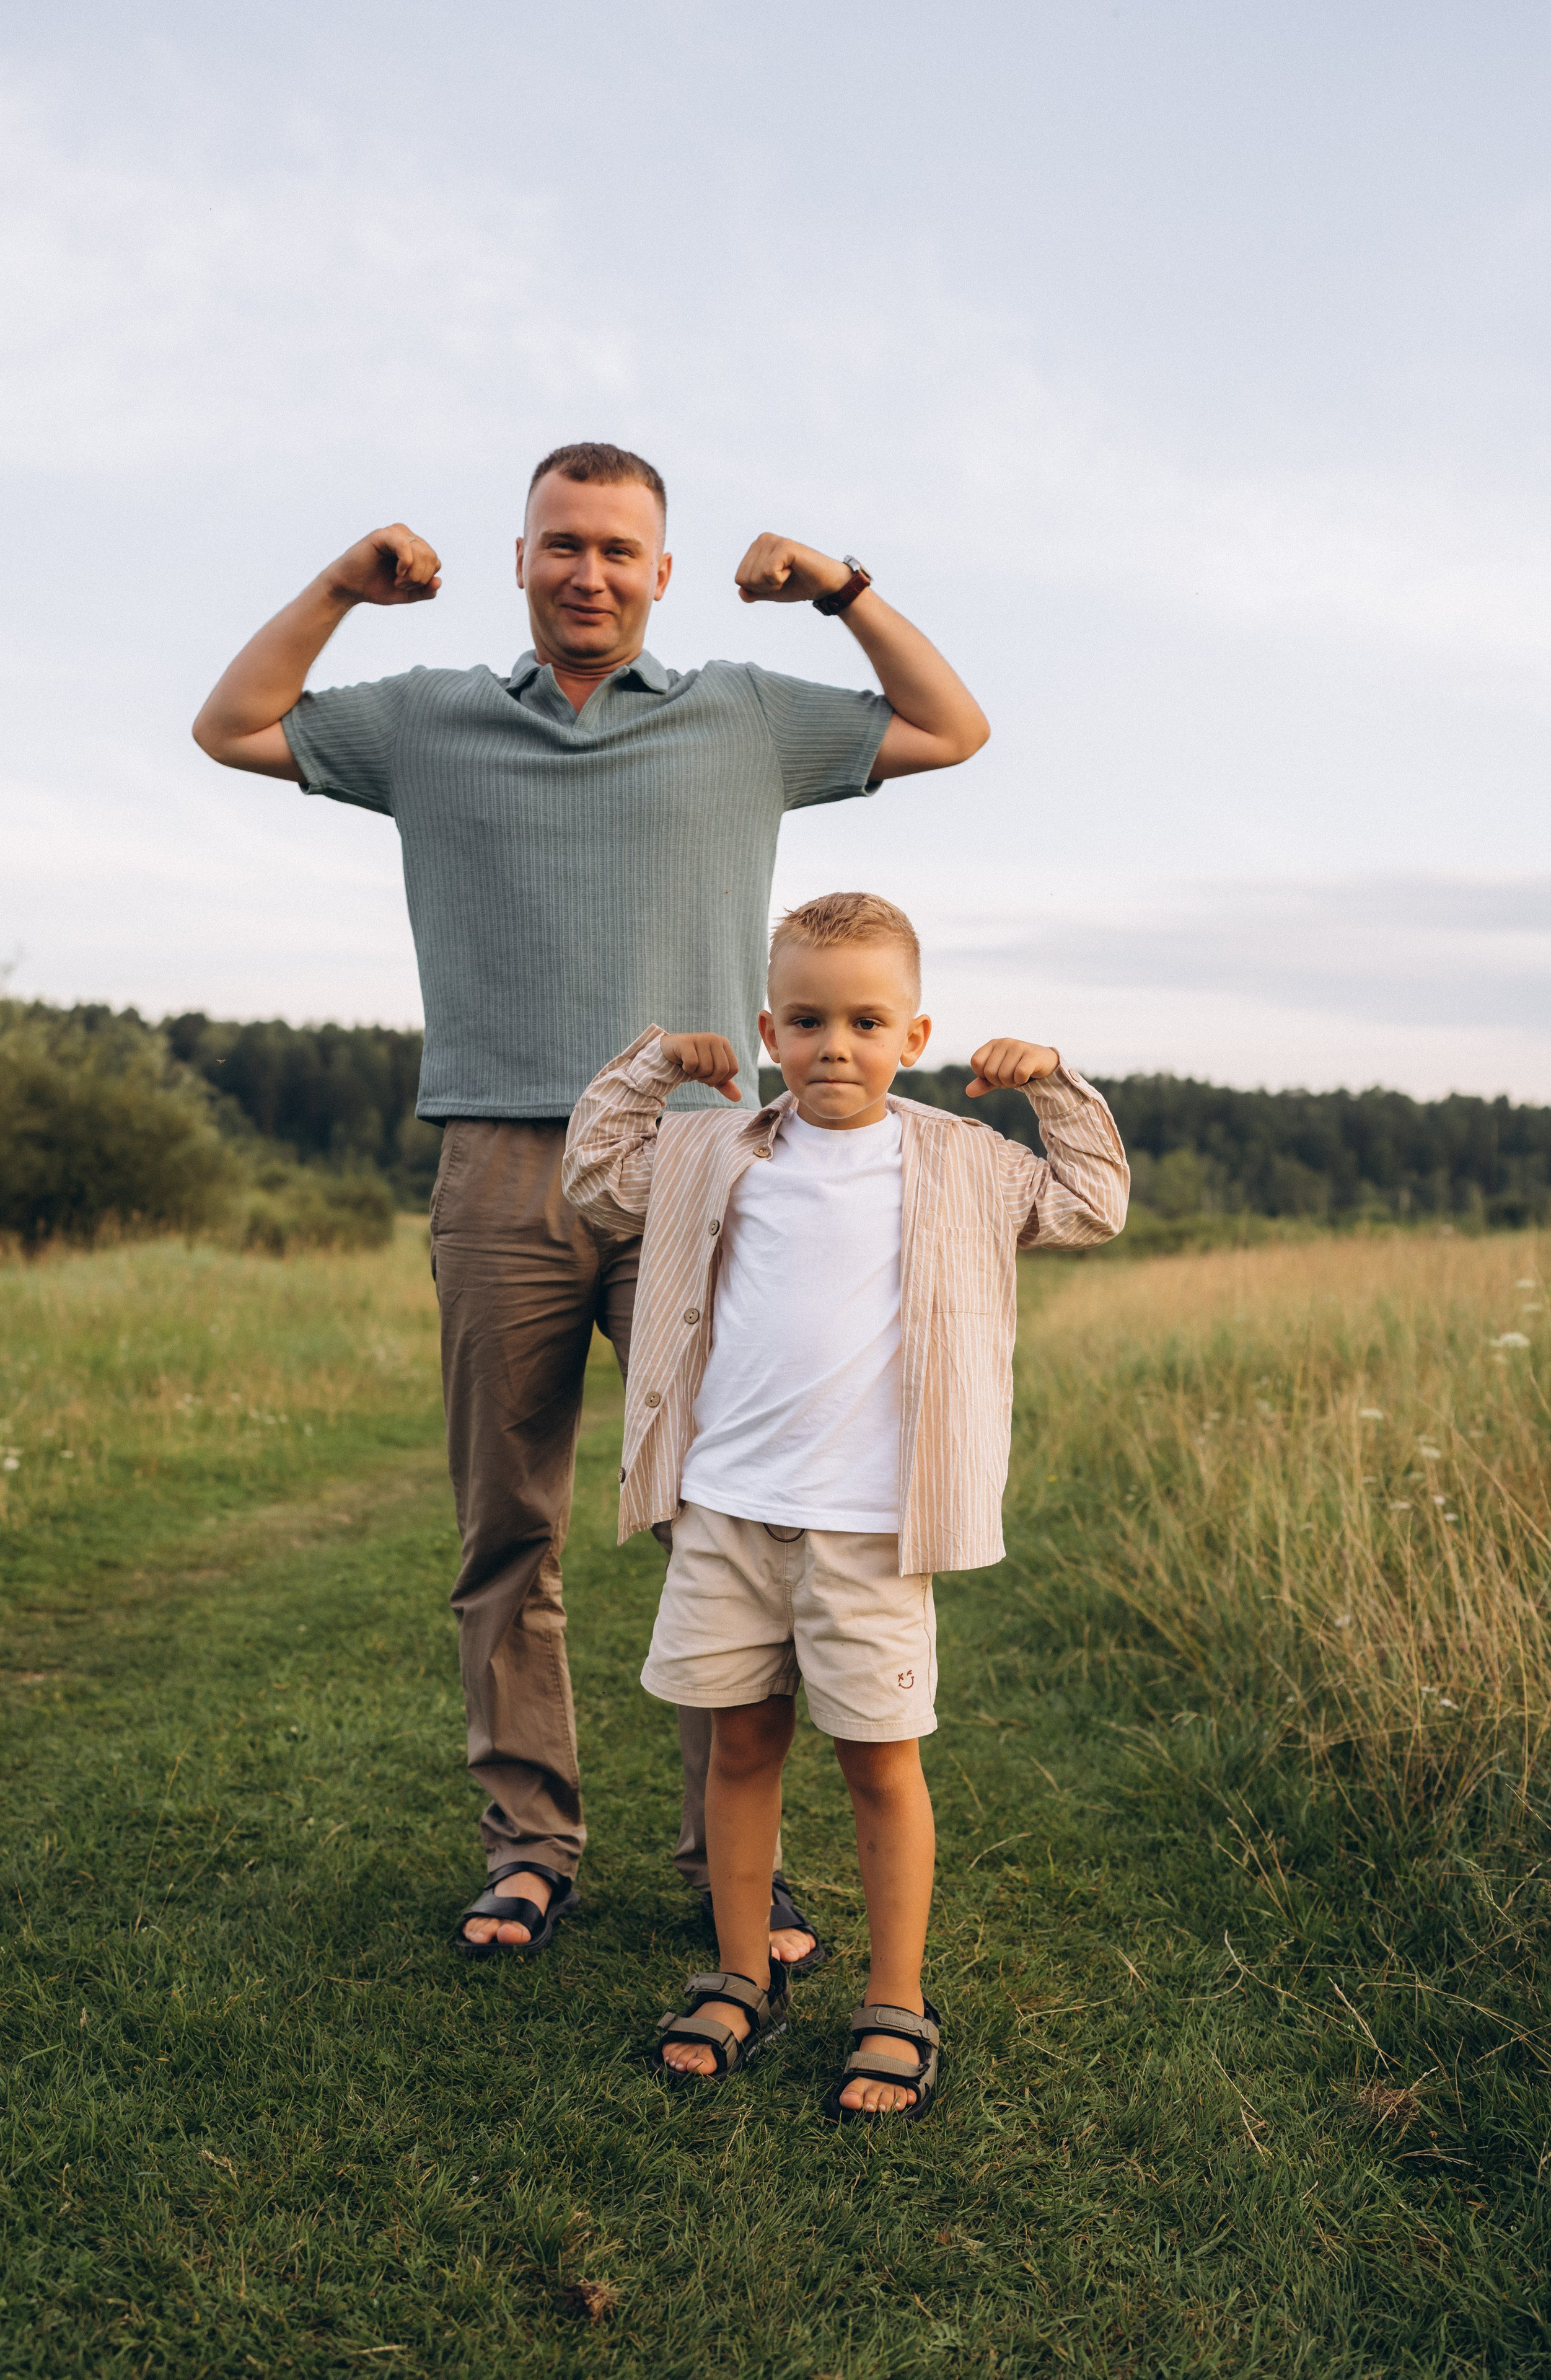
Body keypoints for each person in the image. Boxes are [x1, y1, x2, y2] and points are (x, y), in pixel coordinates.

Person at [191, 443, 989, 1965]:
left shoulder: (740, 716)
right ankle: (529, 1847)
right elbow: (232, 725)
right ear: (521, 558)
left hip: (693, 1168)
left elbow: (950, 726)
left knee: (717, 1515)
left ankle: (726, 1871)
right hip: (498, 1161)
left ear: (661, 573)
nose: (589, 572)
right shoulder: (430, 720)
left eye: (620, 549)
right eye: (562, 543)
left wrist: (836, 587)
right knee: (509, 1528)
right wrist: (342, 586)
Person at [561, 891, 1129, 2118]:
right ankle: (738, 1975)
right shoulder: (713, 1150)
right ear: (769, 1031)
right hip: (726, 1511)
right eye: (808, 1021)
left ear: (912, 1037)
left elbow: (1092, 1205)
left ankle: (894, 2000)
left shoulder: (963, 1162)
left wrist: (1053, 1086)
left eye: (867, 1023)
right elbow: (597, 1179)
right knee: (738, 1747)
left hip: (870, 1526)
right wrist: (656, 1070)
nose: (835, 1046)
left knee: (879, 1760)